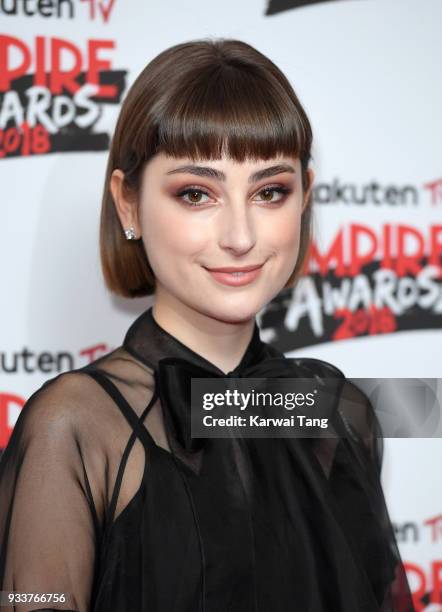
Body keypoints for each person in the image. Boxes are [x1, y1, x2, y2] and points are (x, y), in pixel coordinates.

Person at [0, 39, 414, 612]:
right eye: (197, 194)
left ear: (305, 199)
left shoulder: (338, 412)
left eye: (270, 192)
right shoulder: (74, 428)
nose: (240, 236)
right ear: (128, 203)